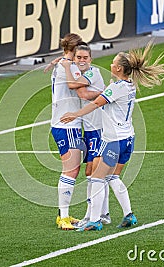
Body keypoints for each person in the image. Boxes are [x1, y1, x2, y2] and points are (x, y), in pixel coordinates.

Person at [60, 41, 164, 231]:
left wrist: (75, 114)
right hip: (128, 139)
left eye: (113, 63)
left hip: (114, 141)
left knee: (96, 178)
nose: (110, 65)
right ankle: (128, 215)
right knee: (112, 178)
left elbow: (96, 103)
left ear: (119, 68)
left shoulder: (116, 88)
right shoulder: (129, 85)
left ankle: (94, 220)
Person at [60, 45, 111, 228]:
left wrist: (66, 67)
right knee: (94, 173)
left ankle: (95, 214)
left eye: (85, 58)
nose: (82, 61)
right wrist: (105, 92)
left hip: (98, 128)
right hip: (89, 129)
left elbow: (78, 90)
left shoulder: (92, 73)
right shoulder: (79, 72)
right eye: (78, 57)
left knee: (93, 172)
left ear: (91, 59)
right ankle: (102, 213)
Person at [50, 33, 86, 230]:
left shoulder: (62, 64)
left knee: (72, 169)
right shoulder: (69, 68)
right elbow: (79, 88)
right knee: (71, 170)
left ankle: (63, 214)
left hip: (62, 123)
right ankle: (63, 217)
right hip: (68, 124)